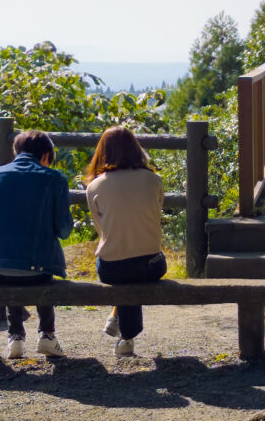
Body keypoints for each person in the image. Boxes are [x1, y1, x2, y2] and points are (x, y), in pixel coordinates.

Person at [0, 129, 73, 359]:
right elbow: (64, 231)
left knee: (11, 267)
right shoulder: (55, 179)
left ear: (16, 152)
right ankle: (47, 335)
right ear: (46, 155)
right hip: (39, 270)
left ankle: (15, 337)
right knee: (38, 267)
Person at [85, 126, 166, 357]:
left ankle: (123, 330)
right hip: (151, 266)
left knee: (123, 265)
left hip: (112, 269)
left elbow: (103, 232)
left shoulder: (94, 187)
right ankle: (123, 331)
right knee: (138, 260)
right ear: (135, 149)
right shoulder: (154, 180)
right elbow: (152, 219)